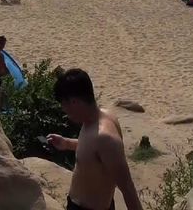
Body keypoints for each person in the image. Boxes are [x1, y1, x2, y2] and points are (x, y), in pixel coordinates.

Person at [46, 69, 142, 210]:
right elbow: (94, 152)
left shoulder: (106, 139)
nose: (64, 111)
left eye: (64, 105)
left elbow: (127, 188)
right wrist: (66, 143)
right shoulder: (96, 120)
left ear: (74, 102)